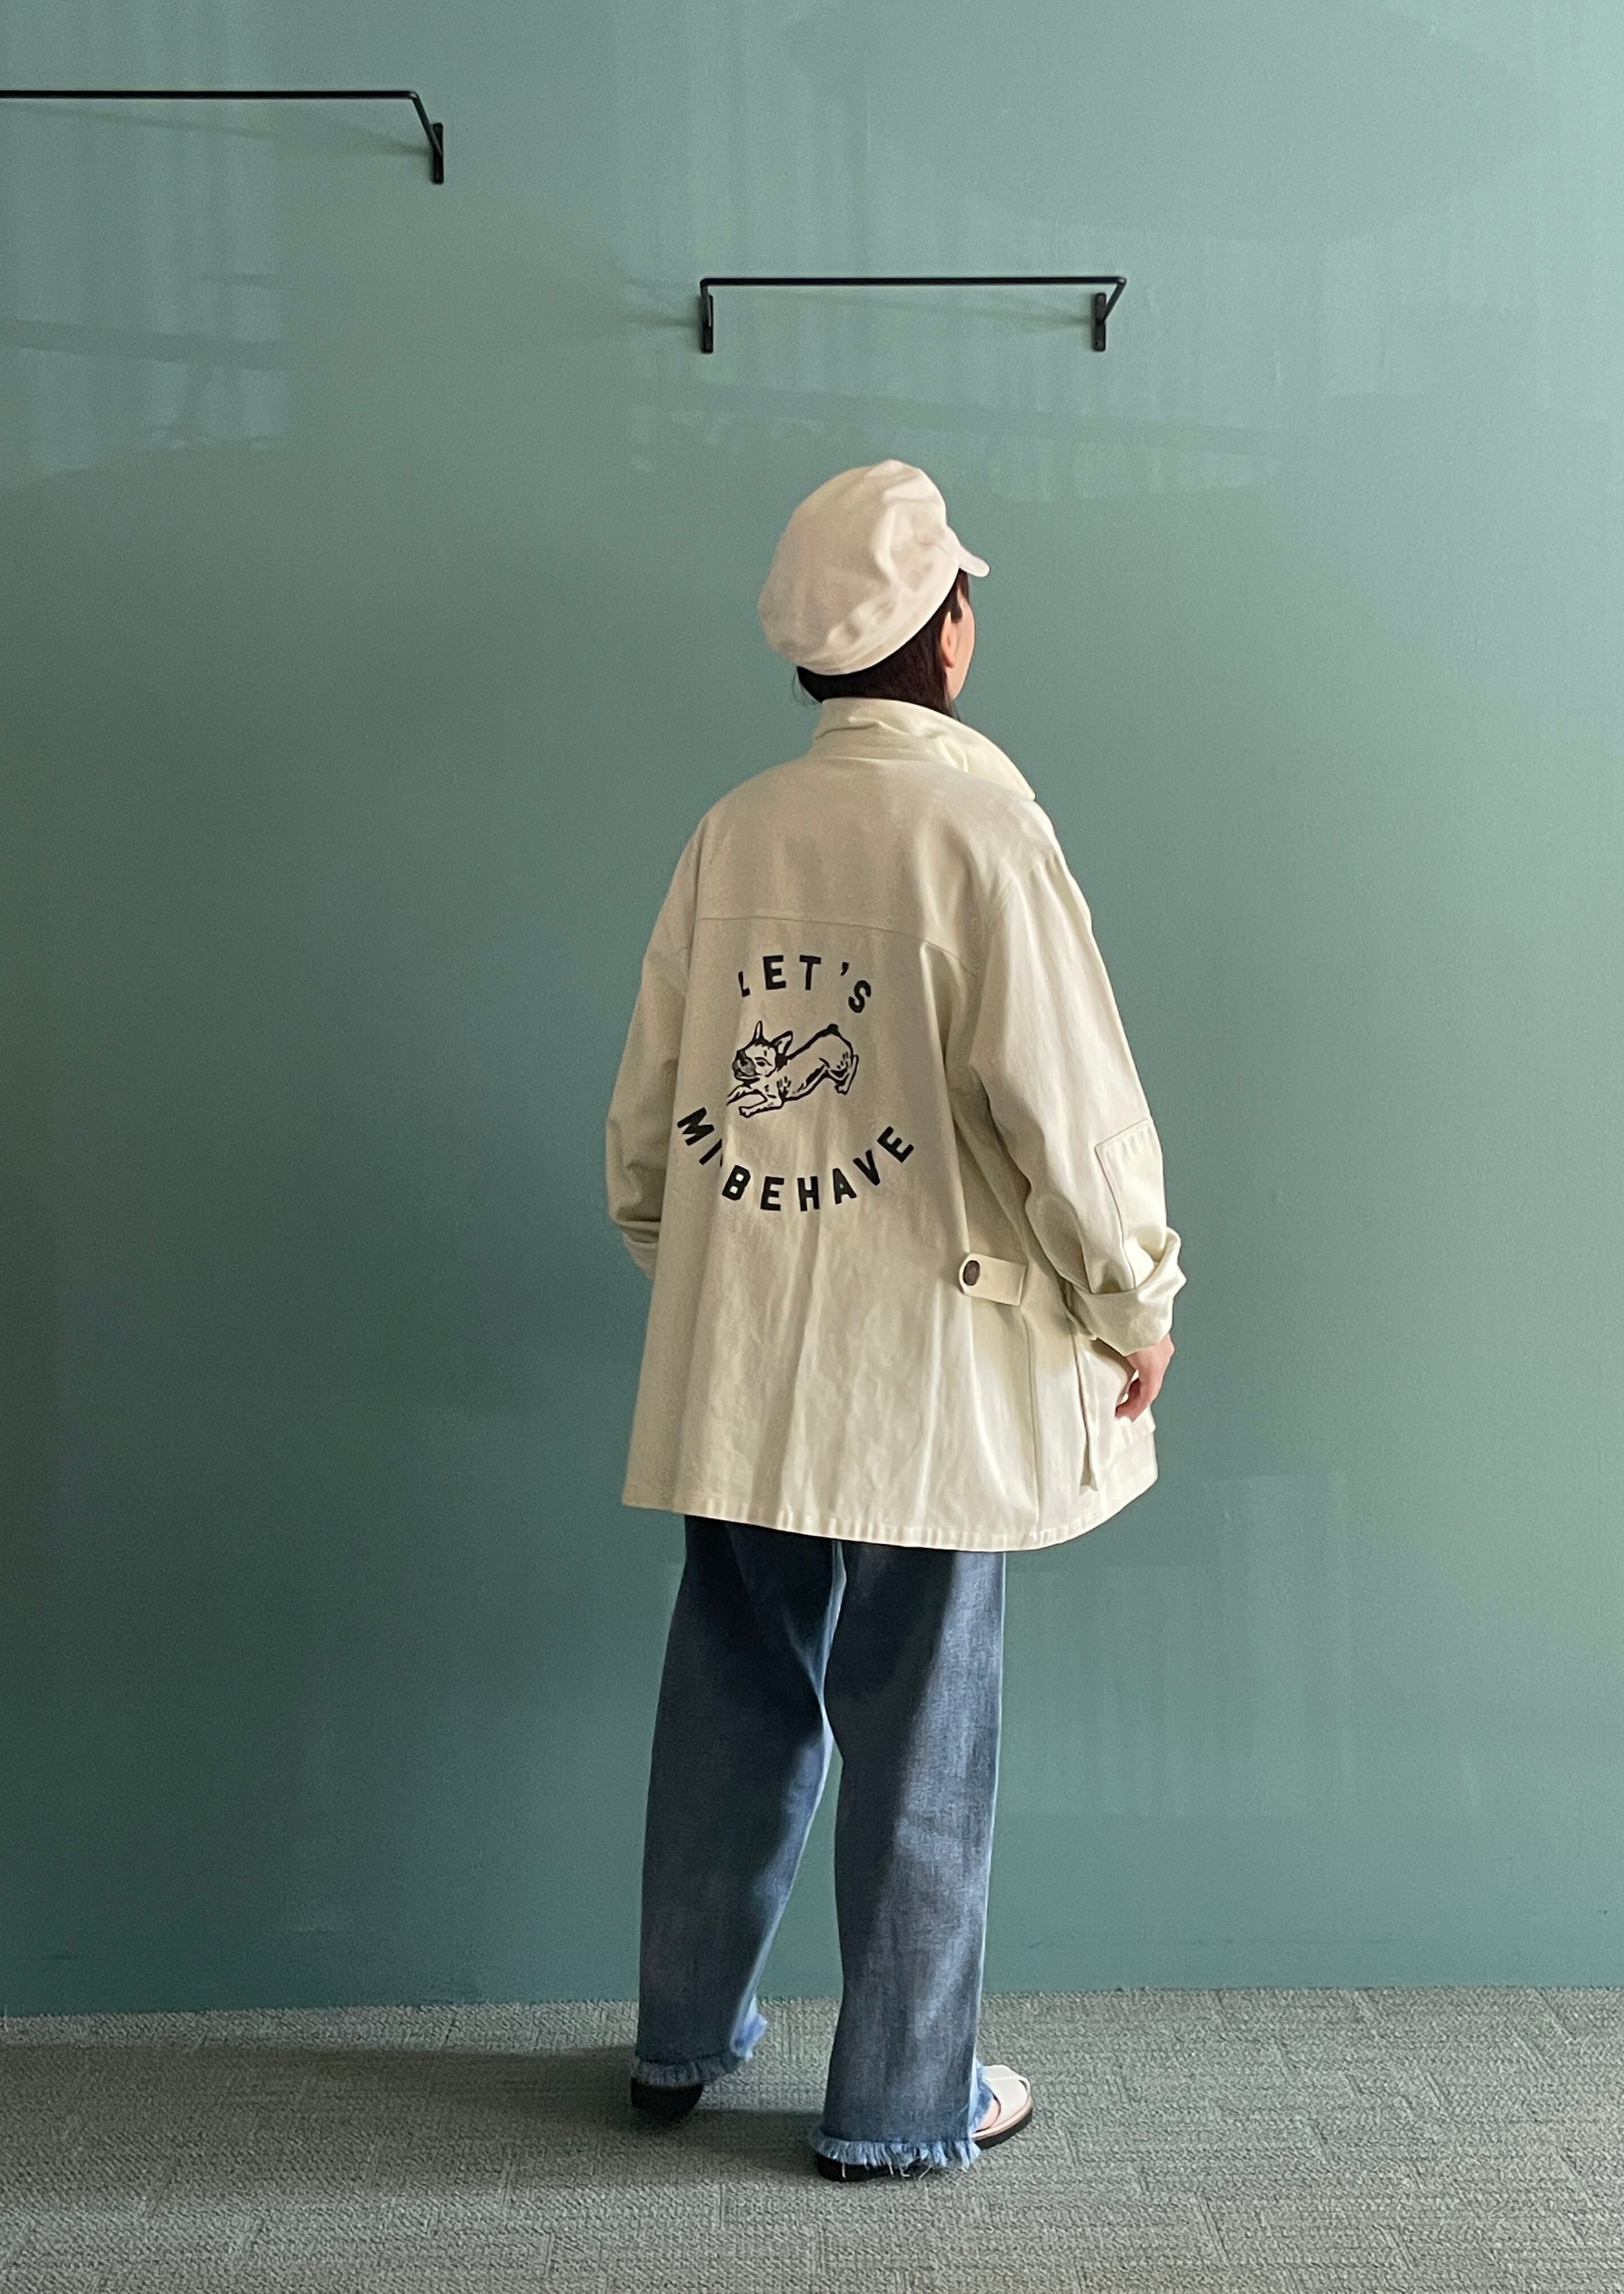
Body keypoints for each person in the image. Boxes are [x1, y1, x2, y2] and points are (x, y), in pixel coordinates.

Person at [604, 459, 1184, 2182]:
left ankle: (679, 2038)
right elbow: (1066, 1113)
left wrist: (702, 1270)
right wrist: (1135, 1296)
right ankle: (902, 2103)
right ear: (944, 634)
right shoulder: (982, 834)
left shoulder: (737, 832)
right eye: (964, 599)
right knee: (924, 1727)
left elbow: (652, 1121)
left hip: (745, 1360)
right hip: (927, 1365)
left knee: (730, 1694)